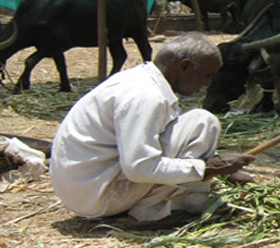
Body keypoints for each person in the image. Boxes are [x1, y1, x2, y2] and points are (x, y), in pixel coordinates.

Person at [50, 32, 255, 226]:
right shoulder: (147, 96)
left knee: (197, 121)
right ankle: (152, 212)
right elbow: (140, 168)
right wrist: (207, 168)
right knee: (204, 122)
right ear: (185, 67)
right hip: (99, 197)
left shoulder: (139, 79)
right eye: (207, 75)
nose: (208, 84)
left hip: (84, 189)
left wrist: (223, 171)